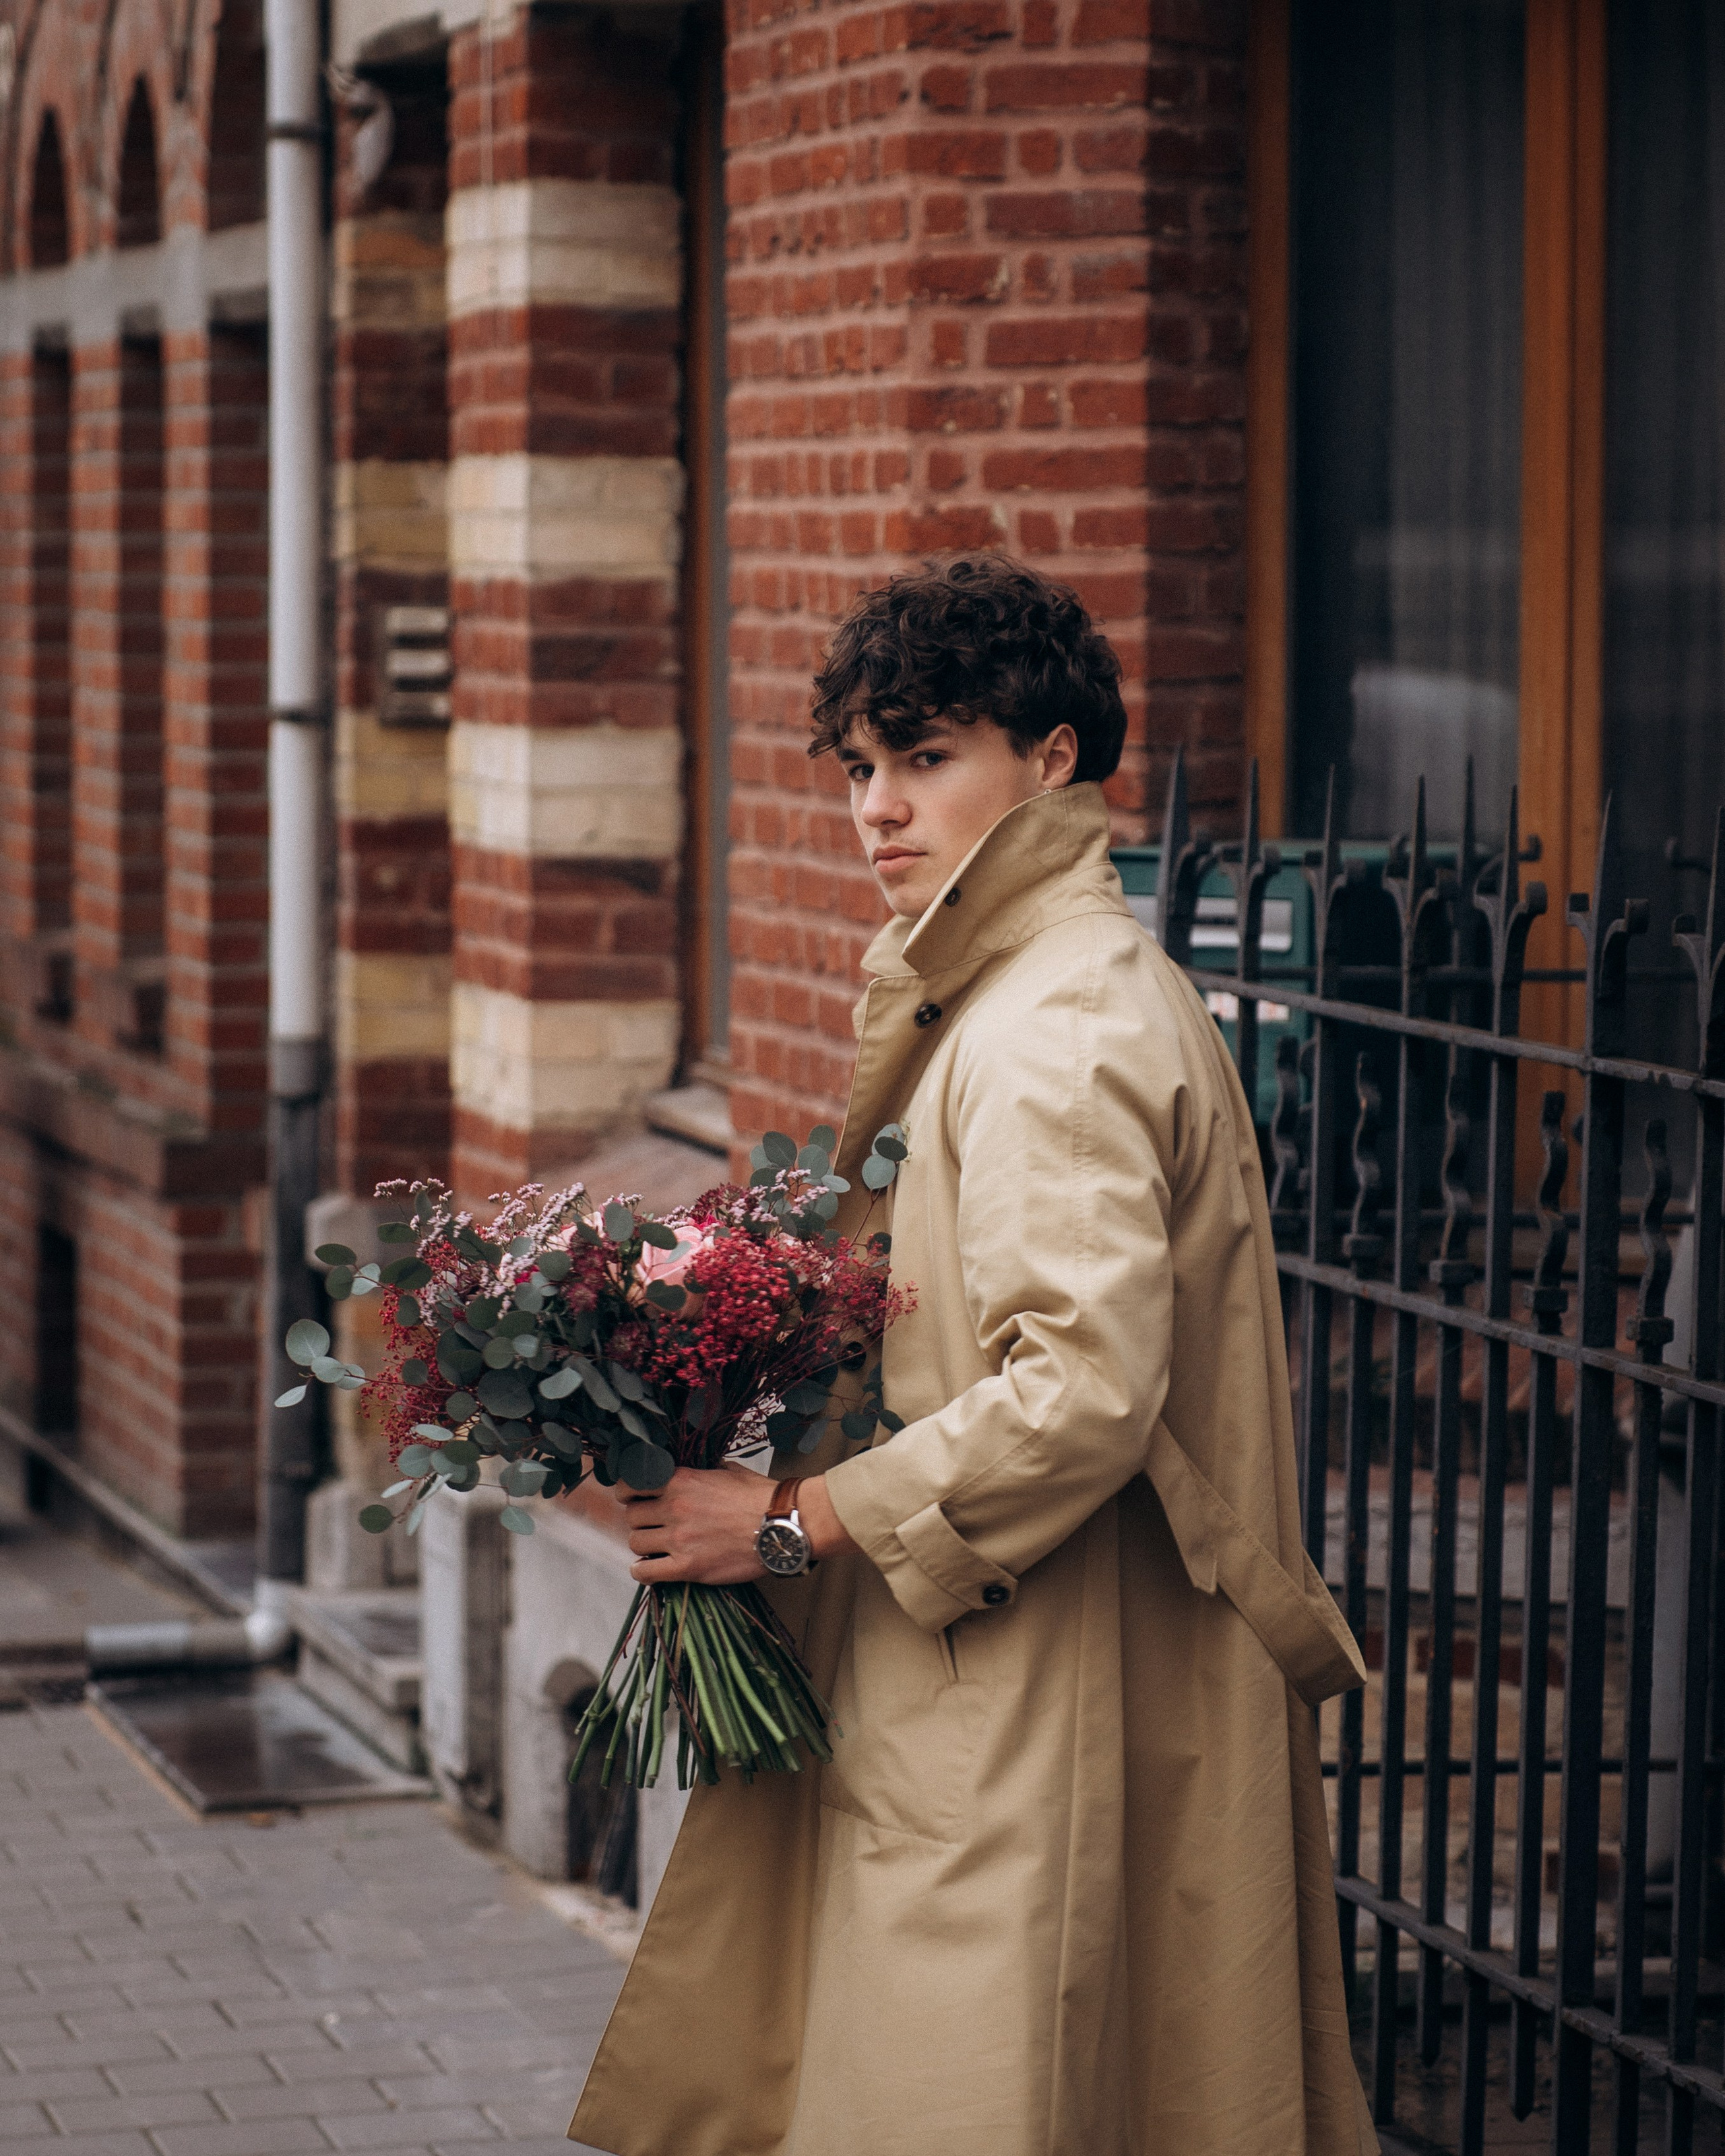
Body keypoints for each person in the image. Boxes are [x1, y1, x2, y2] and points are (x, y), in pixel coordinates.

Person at [569, 555, 1377, 2156]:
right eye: (859, 765)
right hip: (1006, 1663)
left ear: (1052, 758)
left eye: (926, 757)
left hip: (1029, 1682)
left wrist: (784, 1522)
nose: (876, 807)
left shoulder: (1052, 1027)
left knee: (984, 2093)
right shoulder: (1014, 992)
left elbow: (1074, 1389)